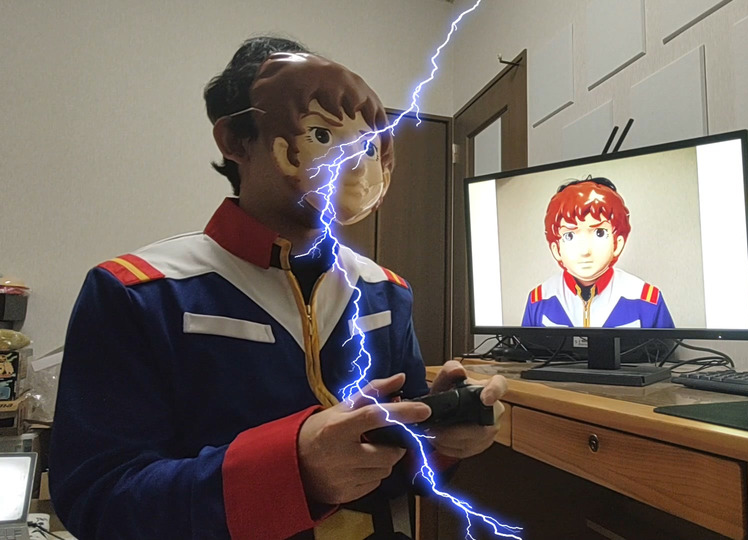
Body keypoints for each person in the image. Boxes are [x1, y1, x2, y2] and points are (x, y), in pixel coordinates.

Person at [49, 36, 507, 540]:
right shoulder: (138, 293)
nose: (355, 163)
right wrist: (292, 471)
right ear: (236, 140)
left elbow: (403, 471)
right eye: (321, 134)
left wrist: (440, 437)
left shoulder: (385, 292)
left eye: (368, 145)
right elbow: (98, 499)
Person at [521, 177, 675, 328]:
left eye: (599, 233)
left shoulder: (646, 299)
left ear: (617, 243)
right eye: (569, 236)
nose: (585, 251)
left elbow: (667, 346)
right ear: (556, 249)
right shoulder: (539, 299)